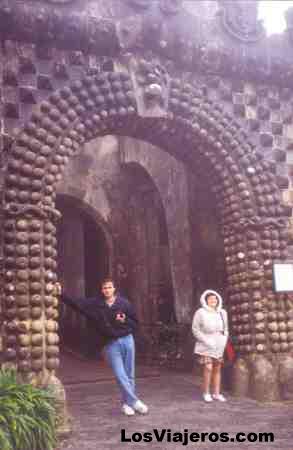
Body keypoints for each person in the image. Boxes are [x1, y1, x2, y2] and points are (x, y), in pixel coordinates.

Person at [58, 278, 148, 416]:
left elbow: (135, 323)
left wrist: (125, 320)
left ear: (114, 289)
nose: (107, 290)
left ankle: (127, 404)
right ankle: (134, 401)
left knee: (129, 373)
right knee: (120, 374)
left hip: (127, 340)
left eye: (109, 287)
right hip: (111, 343)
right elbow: (77, 304)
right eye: (104, 288)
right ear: (102, 290)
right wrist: (61, 294)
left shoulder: (124, 303)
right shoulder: (96, 305)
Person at [192, 289, 228, 403]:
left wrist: (225, 338)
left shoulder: (222, 312)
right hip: (206, 343)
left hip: (219, 344)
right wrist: (206, 340)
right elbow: (195, 329)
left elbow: (225, 328)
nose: (213, 300)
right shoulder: (200, 312)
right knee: (208, 368)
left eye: (215, 299)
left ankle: (216, 393)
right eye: (210, 299)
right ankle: (206, 393)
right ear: (205, 300)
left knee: (217, 368)